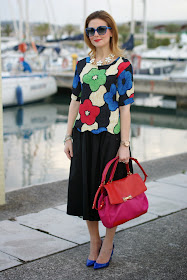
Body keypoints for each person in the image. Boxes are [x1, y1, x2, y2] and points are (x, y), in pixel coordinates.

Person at [64, 10, 134, 269]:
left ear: (111, 31)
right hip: (83, 137)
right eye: (90, 30)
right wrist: (68, 136)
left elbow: (126, 107)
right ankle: (94, 242)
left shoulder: (123, 65)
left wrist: (124, 145)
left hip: (111, 139)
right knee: (87, 192)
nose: (95, 35)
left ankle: (108, 243)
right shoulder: (82, 65)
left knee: (110, 195)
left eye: (101, 29)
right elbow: (74, 101)